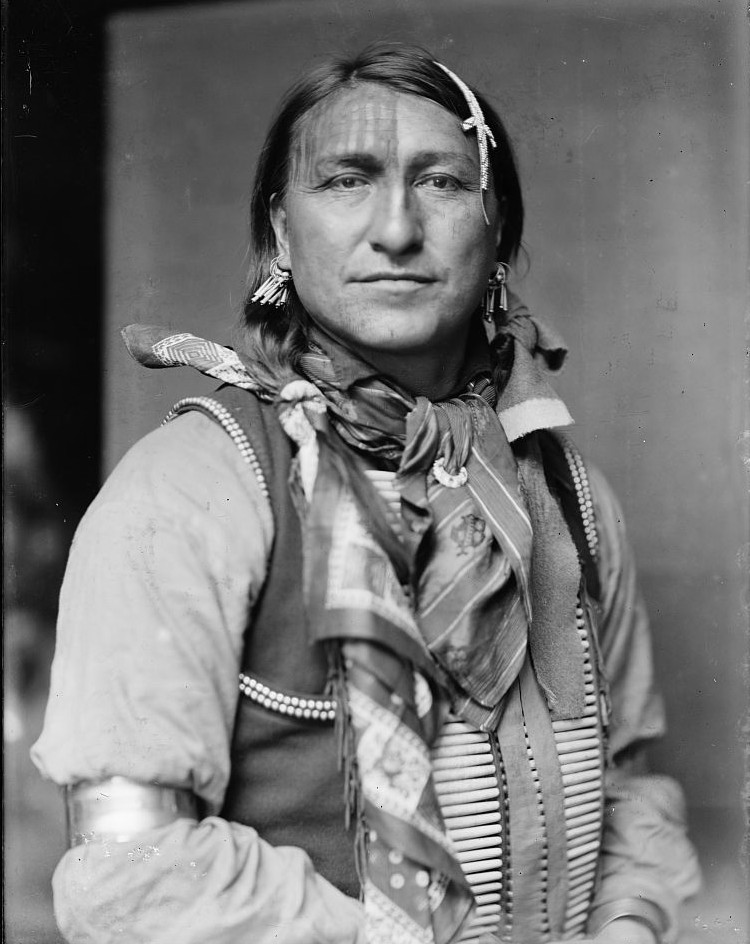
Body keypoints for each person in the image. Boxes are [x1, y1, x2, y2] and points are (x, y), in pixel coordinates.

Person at [32, 42, 700, 944]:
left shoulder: (568, 494)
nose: (396, 230)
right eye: (346, 181)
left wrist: (627, 927)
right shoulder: (190, 492)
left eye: (442, 182)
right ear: (278, 232)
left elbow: (630, 786)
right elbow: (128, 872)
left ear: (497, 230)